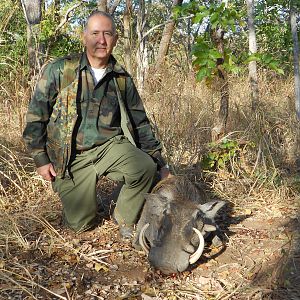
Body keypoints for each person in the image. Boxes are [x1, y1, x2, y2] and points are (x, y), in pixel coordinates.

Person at [23, 11, 170, 237]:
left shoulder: (121, 79)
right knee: (81, 225)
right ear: (84, 37)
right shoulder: (61, 70)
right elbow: (36, 116)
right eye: (95, 33)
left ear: (115, 39)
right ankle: (85, 201)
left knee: (145, 168)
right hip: (70, 157)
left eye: (107, 34)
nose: (101, 40)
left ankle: (123, 218)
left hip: (109, 148)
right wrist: (41, 160)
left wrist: (160, 164)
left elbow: (140, 123)